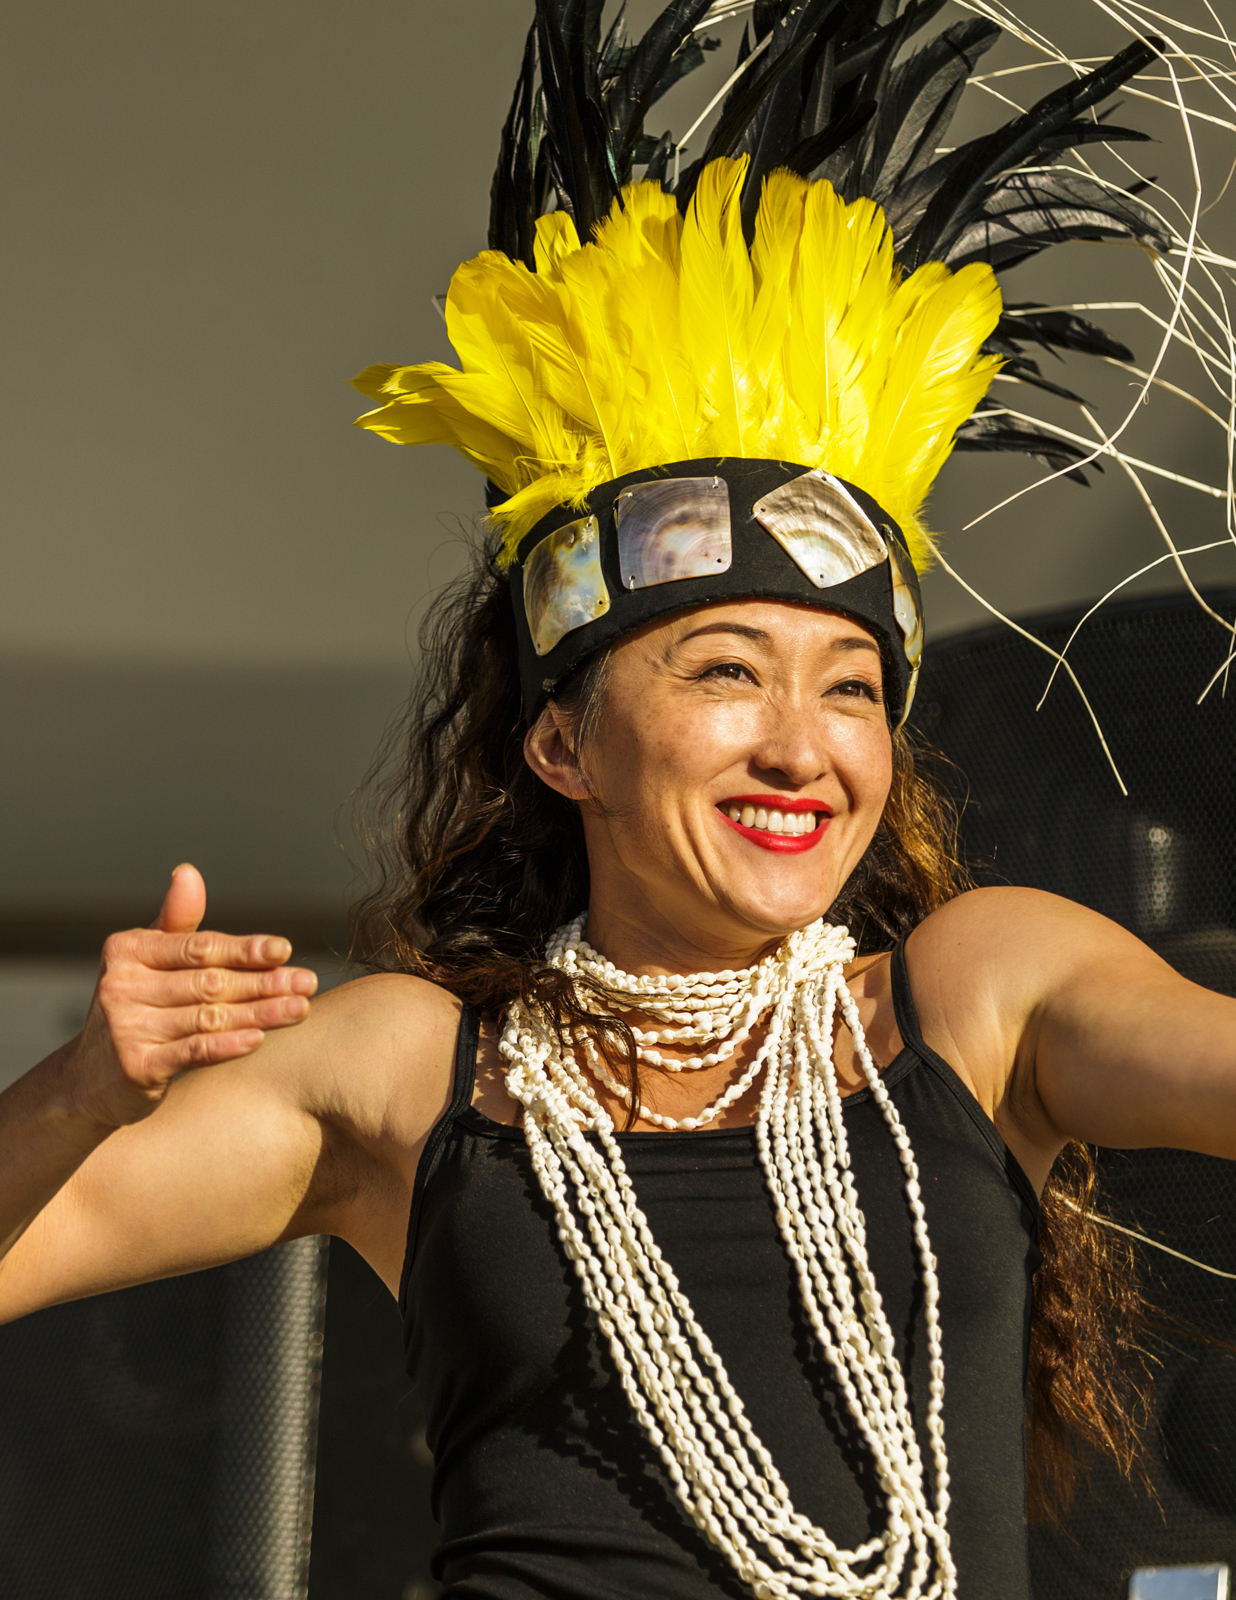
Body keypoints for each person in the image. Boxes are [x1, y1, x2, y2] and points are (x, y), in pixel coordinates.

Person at [1, 5, 1232, 1598]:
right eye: (728, 671)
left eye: (850, 688)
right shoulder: (410, 1067)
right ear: (563, 745)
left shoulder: (985, 992)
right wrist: (79, 1097)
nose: (806, 745)